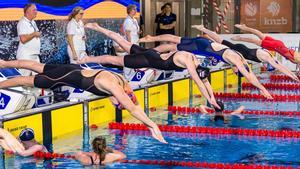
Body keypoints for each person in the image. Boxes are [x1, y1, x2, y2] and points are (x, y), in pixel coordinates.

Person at [0, 59, 166, 144]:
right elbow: (132, 108)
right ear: (120, 96)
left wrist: (134, 105)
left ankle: (4, 63)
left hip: (72, 69)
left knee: (36, 65)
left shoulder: (123, 81)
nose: (115, 104)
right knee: (25, 80)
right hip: (64, 77)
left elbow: (133, 102)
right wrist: (152, 125)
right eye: (118, 103)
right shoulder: (113, 86)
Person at [80, 23, 221, 109]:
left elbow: (205, 81)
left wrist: (213, 98)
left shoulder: (195, 60)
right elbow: (199, 82)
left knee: (123, 42)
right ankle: (87, 58)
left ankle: (97, 27)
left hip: (151, 54)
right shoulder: (189, 63)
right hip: (147, 60)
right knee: (115, 60)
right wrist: (209, 100)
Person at [139, 34, 273, 100]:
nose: (233, 70)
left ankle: (151, 39)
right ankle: (148, 52)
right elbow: (249, 75)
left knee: (175, 39)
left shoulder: (238, 57)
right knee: (171, 46)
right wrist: (262, 89)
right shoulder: (236, 60)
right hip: (201, 47)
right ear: (237, 69)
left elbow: (248, 72)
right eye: (235, 71)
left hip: (204, 43)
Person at [192, 25, 299, 82]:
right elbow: (280, 67)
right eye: (268, 66)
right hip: (240, 50)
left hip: (240, 50)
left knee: (220, 41)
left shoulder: (267, 55)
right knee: (219, 43)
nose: (266, 66)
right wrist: (292, 75)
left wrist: (292, 75)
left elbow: (281, 67)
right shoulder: (267, 57)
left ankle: (204, 30)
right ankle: (204, 33)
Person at [232, 24, 300, 64]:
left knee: (260, 35)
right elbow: (292, 58)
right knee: (255, 41)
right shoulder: (297, 59)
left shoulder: (297, 57)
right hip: (276, 46)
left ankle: (245, 27)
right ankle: (239, 38)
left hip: (279, 45)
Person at [16, 3, 41, 76]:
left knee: (37, 78)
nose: (36, 12)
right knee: (24, 79)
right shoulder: (22, 23)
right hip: (26, 56)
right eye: (34, 10)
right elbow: (23, 39)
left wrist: (36, 35)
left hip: (34, 56)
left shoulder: (33, 22)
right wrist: (34, 34)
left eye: (36, 10)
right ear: (27, 12)